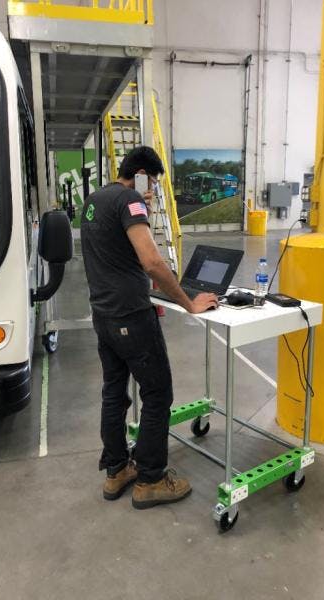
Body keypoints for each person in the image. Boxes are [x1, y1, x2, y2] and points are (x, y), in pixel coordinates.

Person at [81, 146, 218, 510]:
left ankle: (116, 470)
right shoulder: (130, 202)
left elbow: (115, 245)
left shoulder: (95, 199)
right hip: (132, 316)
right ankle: (151, 479)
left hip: (103, 315)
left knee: (114, 392)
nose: (154, 189)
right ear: (140, 173)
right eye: (153, 181)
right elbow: (152, 261)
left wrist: (140, 204)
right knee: (157, 395)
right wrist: (189, 303)